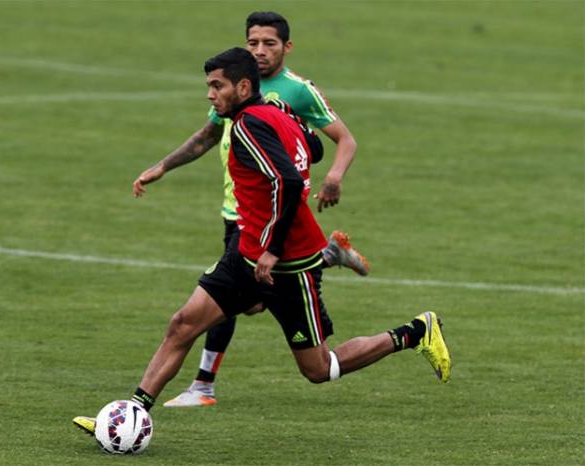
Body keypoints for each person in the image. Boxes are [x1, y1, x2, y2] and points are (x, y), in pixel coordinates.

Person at [73, 48, 451, 439]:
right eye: (208, 86)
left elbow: (286, 181)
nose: (210, 95)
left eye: (217, 86)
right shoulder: (277, 114)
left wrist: (271, 248)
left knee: (318, 369)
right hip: (245, 254)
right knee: (183, 324)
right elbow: (315, 148)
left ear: (243, 86)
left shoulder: (248, 126)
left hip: (287, 265)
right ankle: (129, 415)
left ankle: (415, 332)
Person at [149, 11, 367, 408]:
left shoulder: (295, 92)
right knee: (244, 301)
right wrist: (163, 166)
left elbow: (332, 142)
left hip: (269, 217)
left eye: (269, 43)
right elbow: (207, 135)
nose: (261, 50)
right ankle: (325, 254)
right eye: (254, 43)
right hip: (238, 209)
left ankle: (203, 385)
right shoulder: (231, 83)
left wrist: (333, 177)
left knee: (221, 298)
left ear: (287, 46)